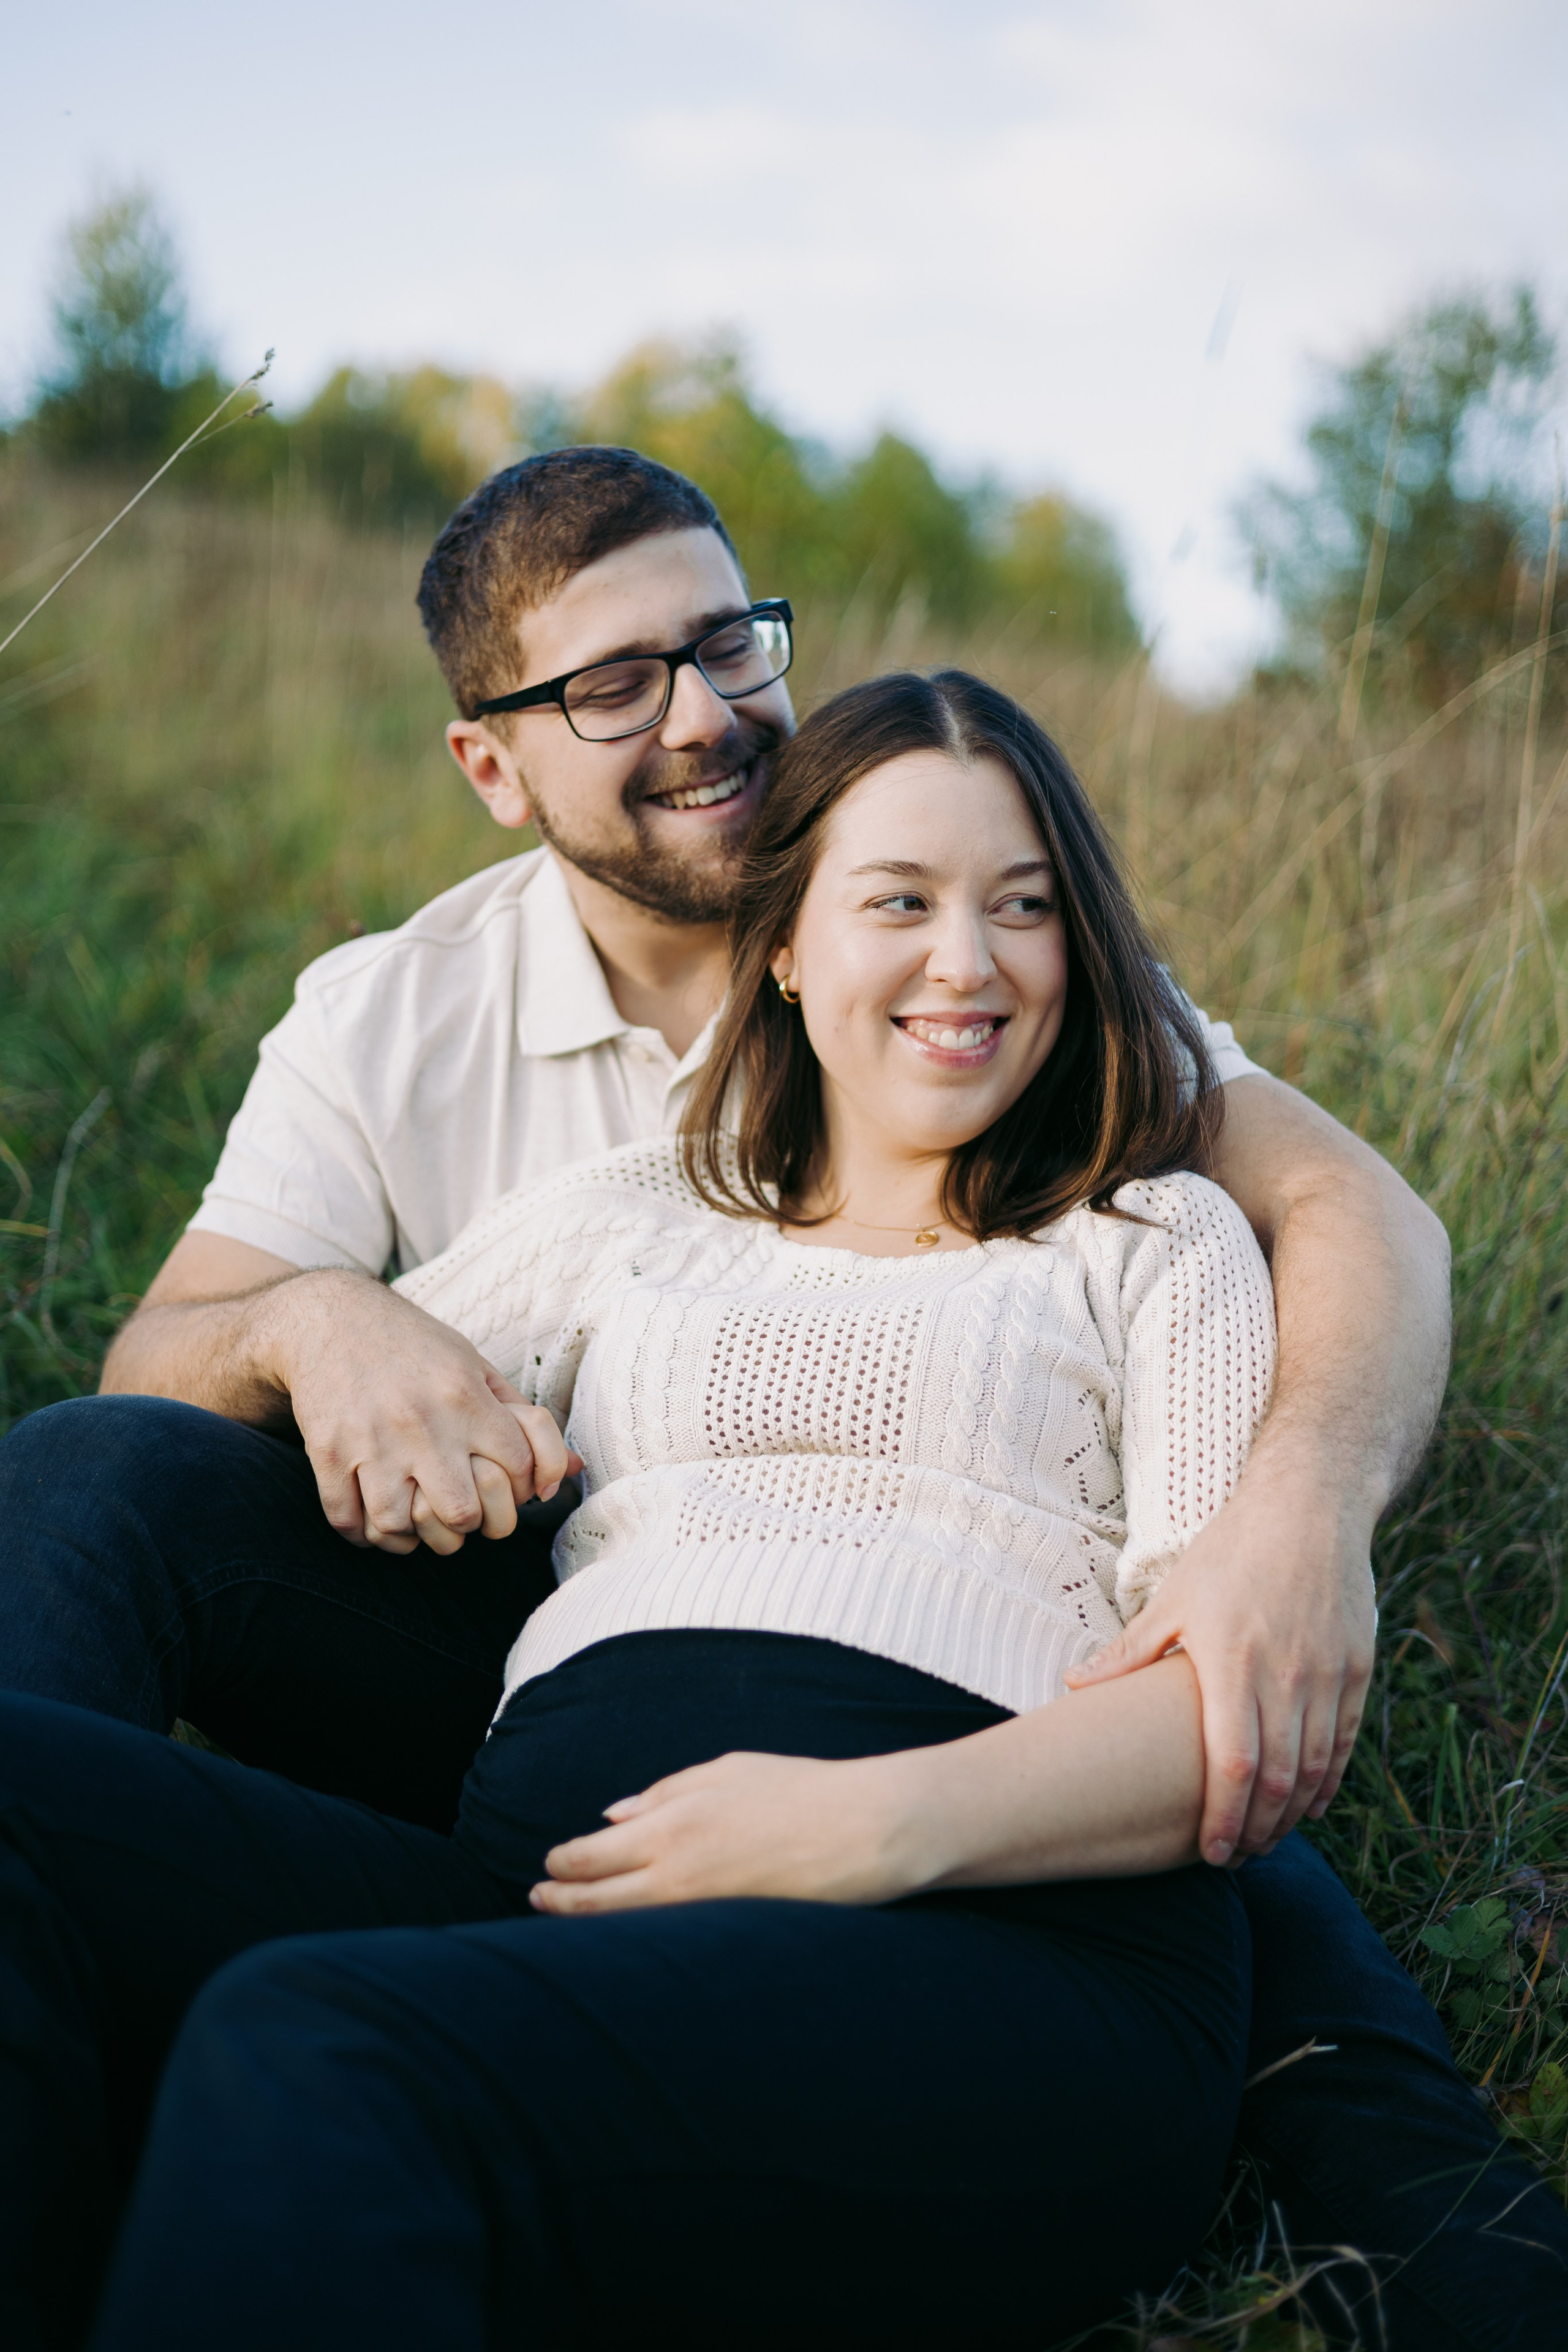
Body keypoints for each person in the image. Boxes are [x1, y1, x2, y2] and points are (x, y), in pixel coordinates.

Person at [0, 456, 1557, 2342]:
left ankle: (1430, 2207)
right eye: (610, 685)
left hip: (974, 1788)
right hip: (552, 1709)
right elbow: (166, 1365)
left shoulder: (1127, 1204)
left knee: (1260, 1886)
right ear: (495, 765)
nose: (702, 711)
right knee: (94, 1493)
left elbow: (1347, 1217)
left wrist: (1290, 1530)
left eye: (727, 642)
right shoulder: (532, 1123)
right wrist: (326, 1325)